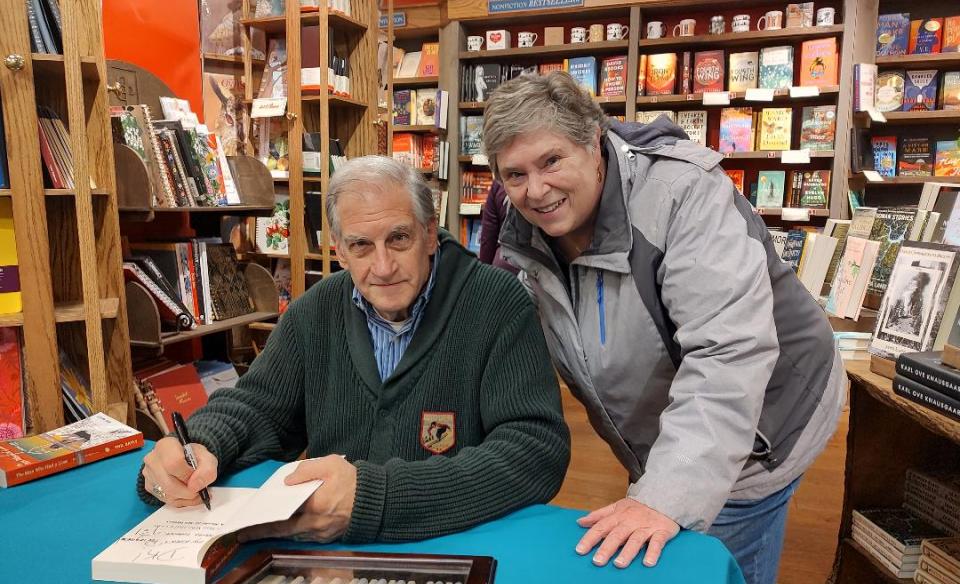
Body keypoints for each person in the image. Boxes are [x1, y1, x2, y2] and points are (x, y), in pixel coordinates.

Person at [483, 72, 845, 584]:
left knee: (712, 562)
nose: (535, 190)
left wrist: (663, 497)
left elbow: (728, 354)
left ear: (593, 142)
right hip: (669, 431)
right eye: (514, 174)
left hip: (762, 425)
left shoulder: (682, 194)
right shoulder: (523, 225)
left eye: (551, 161)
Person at [137, 155, 570, 544]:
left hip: (452, 549)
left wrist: (376, 497)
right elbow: (259, 407)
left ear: (430, 233)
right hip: (330, 561)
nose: (382, 267)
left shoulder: (496, 304)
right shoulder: (315, 312)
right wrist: (197, 445)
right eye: (361, 245)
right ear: (339, 250)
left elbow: (536, 450)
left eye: (399, 238)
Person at [478, 180, 518, 275]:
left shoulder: (499, 184)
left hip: (505, 267)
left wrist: (483, 274)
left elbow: (488, 237)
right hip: (545, 271)